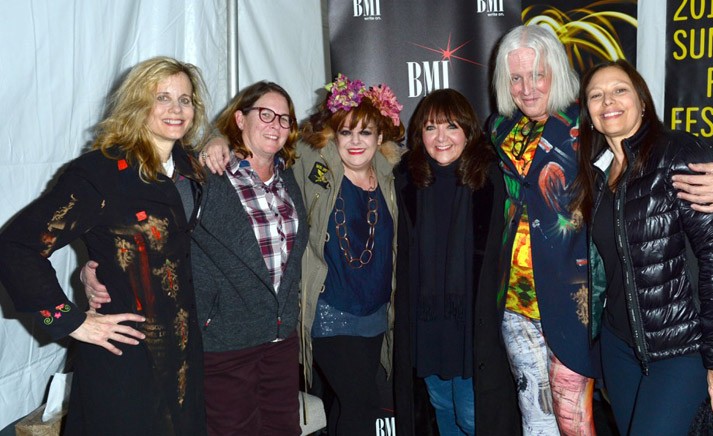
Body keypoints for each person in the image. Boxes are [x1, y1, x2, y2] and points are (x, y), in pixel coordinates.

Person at [473, 24, 713, 436]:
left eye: (538, 75)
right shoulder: (501, 129)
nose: (527, 88)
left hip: (586, 310)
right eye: (516, 78)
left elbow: (685, 187)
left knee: (577, 419)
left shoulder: (588, 127)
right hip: (533, 307)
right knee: (537, 418)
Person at [84, 81, 310, 435]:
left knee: (285, 429)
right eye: (265, 114)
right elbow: (142, 229)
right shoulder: (203, 175)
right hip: (225, 342)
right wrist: (95, 266)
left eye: (284, 118)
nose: (275, 124)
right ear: (239, 119)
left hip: (281, 338)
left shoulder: (288, 177)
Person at [0, 56, 208, 435]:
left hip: (183, 359)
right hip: (124, 359)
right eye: (162, 97)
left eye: (186, 99)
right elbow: (16, 247)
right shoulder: (98, 174)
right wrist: (68, 320)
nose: (176, 109)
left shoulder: (190, 168)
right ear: (136, 105)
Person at [202, 73, 404, 436]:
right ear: (333, 135)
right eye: (346, 132)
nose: (356, 141)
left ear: (380, 137)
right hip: (329, 315)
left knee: (342, 406)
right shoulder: (311, 164)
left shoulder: (391, 173)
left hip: (375, 315)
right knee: (361, 404)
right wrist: (215, 138)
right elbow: (256, 147)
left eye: (366, 132)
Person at [572, 59, 713, 435]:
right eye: (596, 96)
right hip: (619, 347)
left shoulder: (676, 152)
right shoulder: (596, 175)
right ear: (588, 112)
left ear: (643, 101)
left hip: (680, 348)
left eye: (620, 90)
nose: (608, 101)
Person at [393, 88, 508, 436]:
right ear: (419, 135)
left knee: (473, 417)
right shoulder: (404, 180)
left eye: (451, 127)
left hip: (474, 329)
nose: (441, 137)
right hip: (427, 329)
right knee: (444, 412)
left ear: (469, 132)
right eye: (430, 128)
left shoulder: (494, 179)